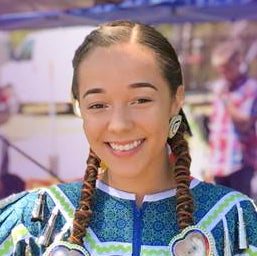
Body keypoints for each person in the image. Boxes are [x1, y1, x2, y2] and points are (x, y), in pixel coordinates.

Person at [0, 20, 256, 256]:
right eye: (98, 104)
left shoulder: (233, 221)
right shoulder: (36, 221)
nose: (120, 125)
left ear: (176, 100)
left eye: (141, 100)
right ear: (79, 108)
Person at [208, 41, 257, 197]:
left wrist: (226, 100)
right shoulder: (222, 87)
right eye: (220, 71)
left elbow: (244, 123)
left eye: (227, 70)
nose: (224, 75)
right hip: (219, 162)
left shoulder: (250, 88)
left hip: (239, 162)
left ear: (238, 63)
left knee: (241, 212)